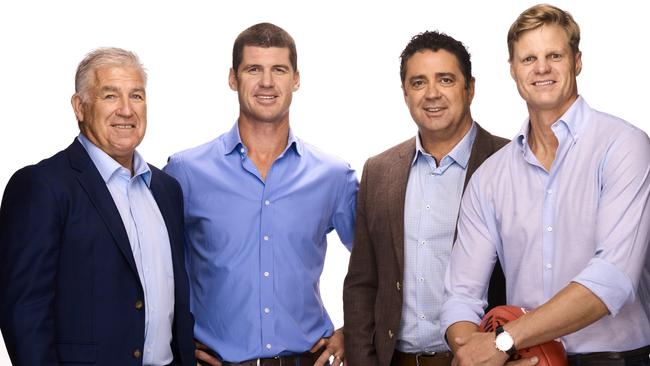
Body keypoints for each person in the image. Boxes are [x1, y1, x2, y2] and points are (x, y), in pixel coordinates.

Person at [441, 4, 650, 366]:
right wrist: (477, 351)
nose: (541, 68)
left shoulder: (624, 146)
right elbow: (460, 296)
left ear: (577, 61)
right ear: (512, 69)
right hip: (525, 361)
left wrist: (505, 340)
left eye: (554, 55)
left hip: (617, 359)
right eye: (528, 58)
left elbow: (612, 279)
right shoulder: (490, 178)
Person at [163, 23, 357, 366]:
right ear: (232, 79)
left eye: (278, 70)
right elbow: (155, 271)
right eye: (254, 69)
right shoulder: (186, 172)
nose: (267, 82)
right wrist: (175, 340)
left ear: (296, 79)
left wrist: (351, 331)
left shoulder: (333, 177)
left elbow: (382, 265)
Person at [0, 48, 196, 365]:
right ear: (80, 107)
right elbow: (24, 312)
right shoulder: (42, 187)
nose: (126, 110)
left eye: (136, 96)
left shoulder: (166, 190)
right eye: (110, 96)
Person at [343, 30, 508, 366]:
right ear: (405, 93)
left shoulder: (508, 161)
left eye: (445, 79)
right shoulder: (379, 171)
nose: (432, 94)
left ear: (470, 88)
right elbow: (362, 282)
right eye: (418, 82)